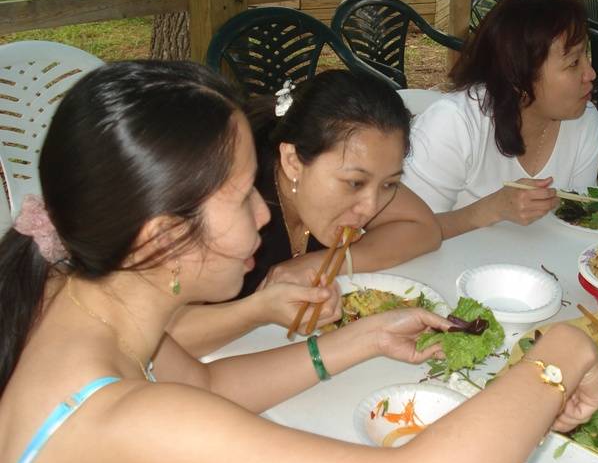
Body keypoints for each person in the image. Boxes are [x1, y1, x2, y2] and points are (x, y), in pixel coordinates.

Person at [0, 60, 598, 463]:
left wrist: (360, 340)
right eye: (242, 197)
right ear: (161, 238)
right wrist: (562, 351)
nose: (264, 215)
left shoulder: (75, 294)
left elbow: (207, 386)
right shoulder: (124, 418)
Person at [167, 69, 443, 356]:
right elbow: (158, 336)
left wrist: (318, 262)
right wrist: (256, 311)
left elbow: (423, 228)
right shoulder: (229, 201)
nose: (371, 207)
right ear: (292, 161)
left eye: (389, 184)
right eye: (354, 183)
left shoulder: (355, 178)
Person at [403, 0, 598, 239]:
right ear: (519, 77)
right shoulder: (453, 125)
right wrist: (491, 209)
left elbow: (579, 226)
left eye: (586, 55)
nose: (591, 73)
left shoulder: (585, 121)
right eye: (573, 63)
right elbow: (405, 233)